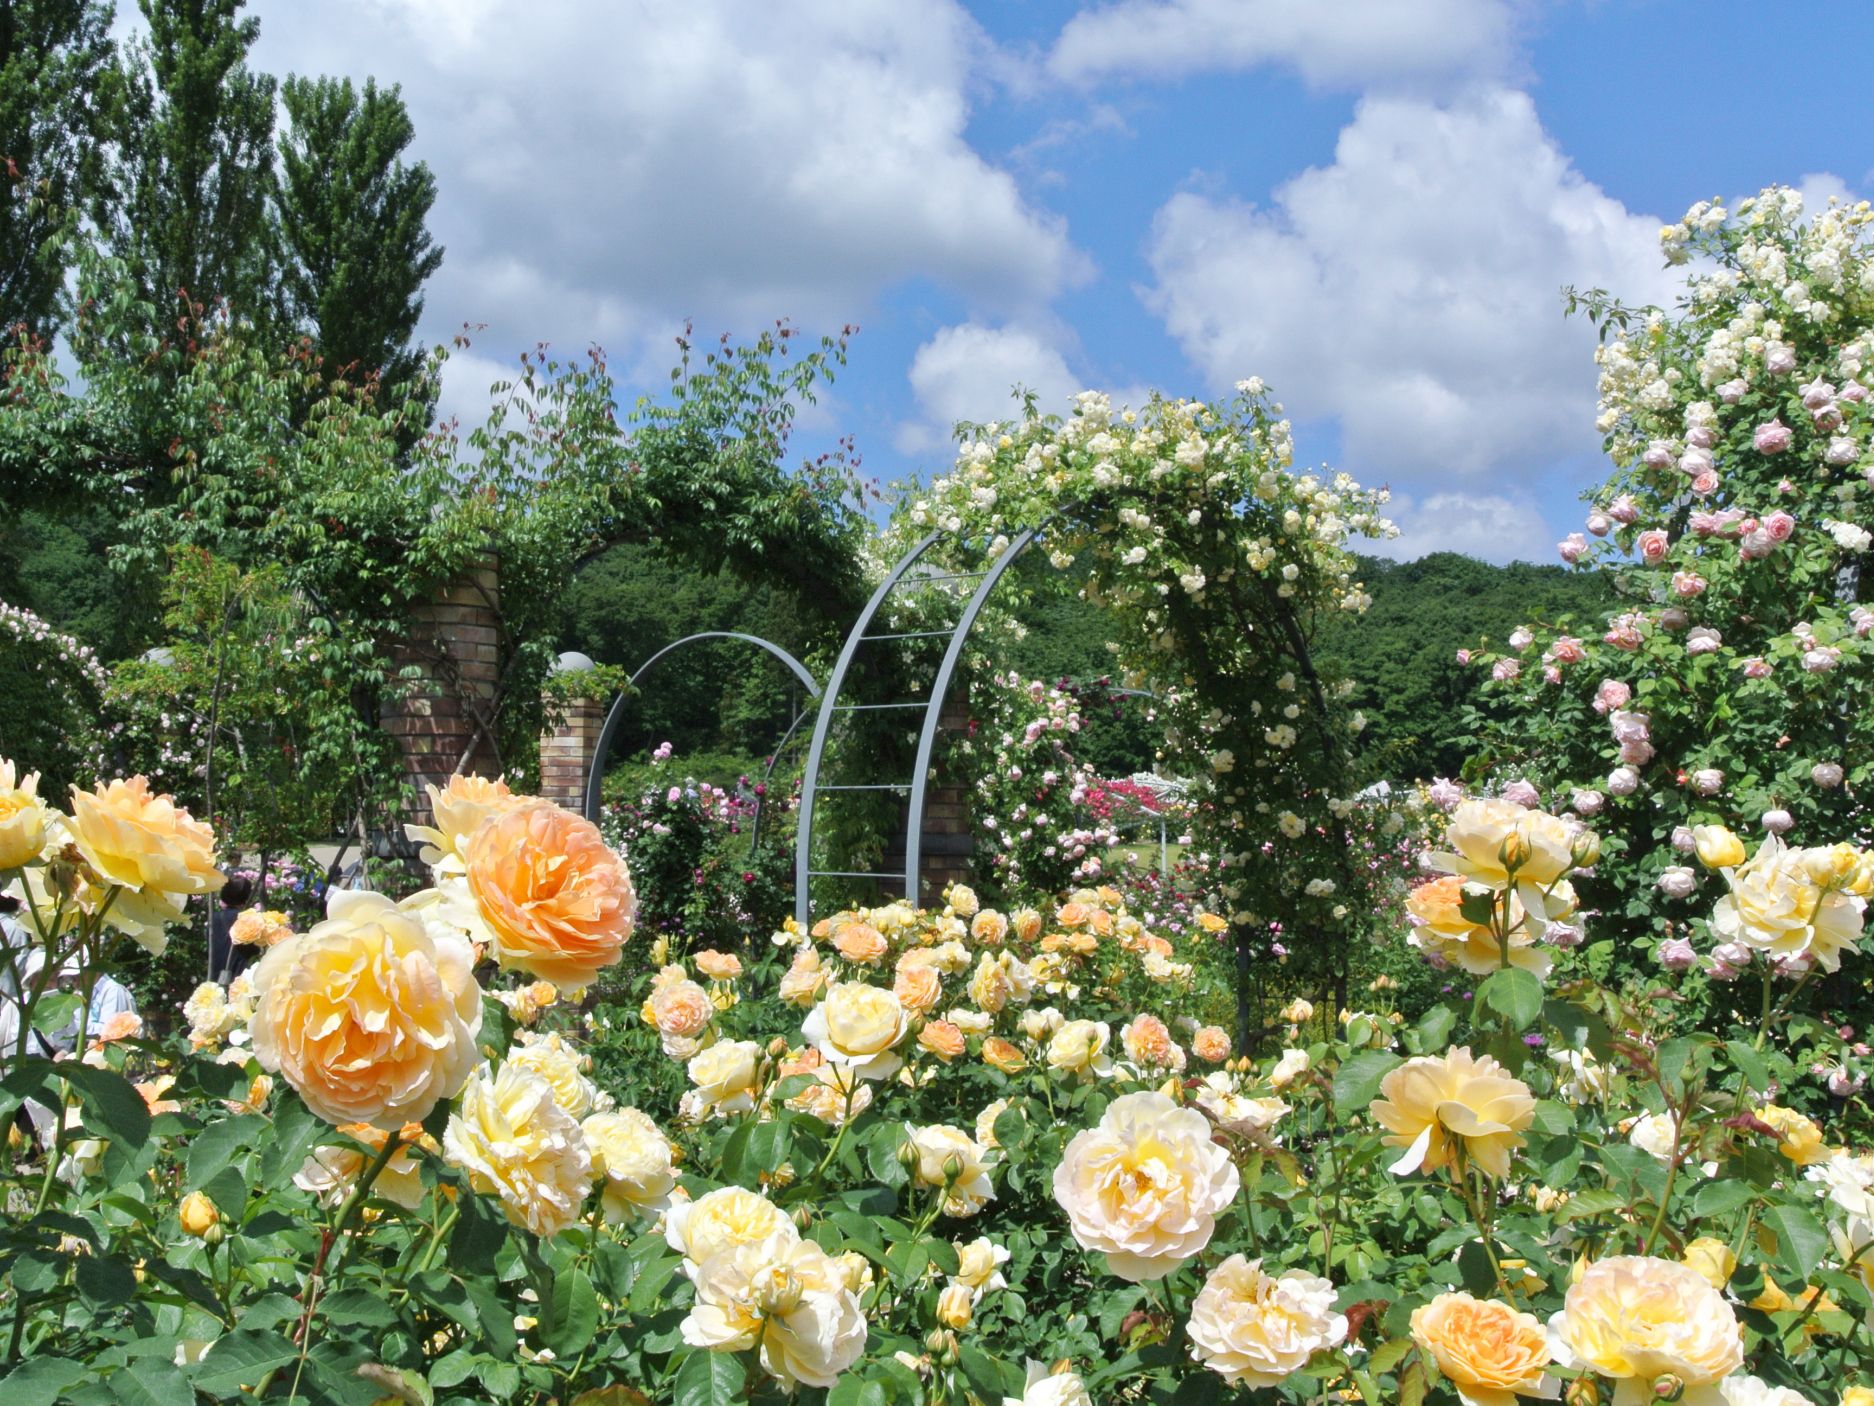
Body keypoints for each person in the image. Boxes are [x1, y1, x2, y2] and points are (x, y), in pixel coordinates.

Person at [209, 874, 254, 985]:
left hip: (215, 976)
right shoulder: (245, 919)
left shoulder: (213, 918)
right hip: (239, 976)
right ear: (246, 897)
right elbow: (253, 950)